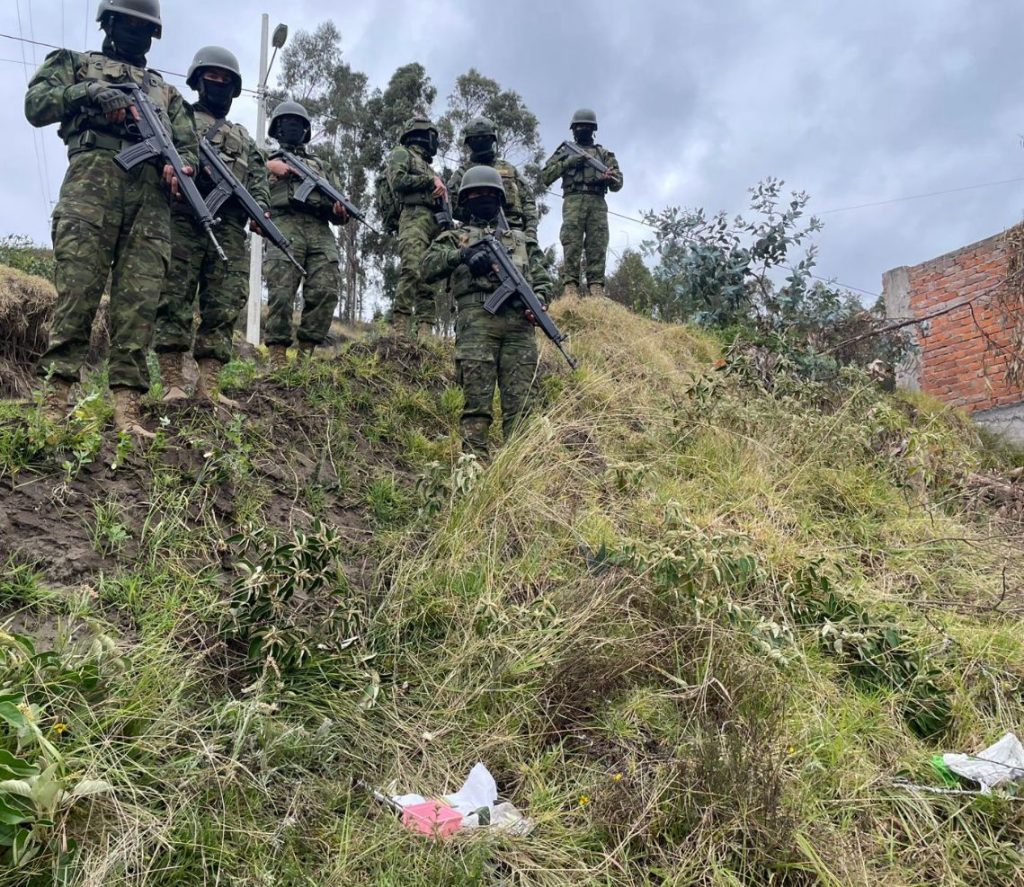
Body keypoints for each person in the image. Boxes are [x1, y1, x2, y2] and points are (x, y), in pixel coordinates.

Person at [24, 0, 197, 437]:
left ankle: (127, 410)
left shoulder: (168, 94)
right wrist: (89, 93)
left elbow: (187, 144)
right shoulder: (75, 64)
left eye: (145, 28)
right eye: (128, 24)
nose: (136, 34)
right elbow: (36, 104)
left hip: (151, 201)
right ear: (109, 24)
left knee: (138, 307)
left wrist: (181, 167)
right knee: (77, 294)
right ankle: (54, 402)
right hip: (92, 183)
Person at [152, 45, 269, 406]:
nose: (218, 85)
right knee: (174, 297)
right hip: (183, 218)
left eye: (225, 81)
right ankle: (172, 381)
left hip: (229, 227)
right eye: (212, 78)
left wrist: (260, 209)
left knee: (224, 303)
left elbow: (259, 178)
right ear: (197, 82)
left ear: (234, 90)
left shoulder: (244, 138)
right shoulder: (178, 118)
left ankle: (210, 386)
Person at [423, 166, 553, 456]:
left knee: (522, 409)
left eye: (489, 194)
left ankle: (518, 473)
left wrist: (540, 302)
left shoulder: (522, 240)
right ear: (466, 201)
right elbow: (426, 267)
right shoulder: (454, 237)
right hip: (476, 322)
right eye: (475, 194)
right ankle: (474, 470)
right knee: (477, 408)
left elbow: (543, 279)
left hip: (520, 327)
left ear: (500, 199)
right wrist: (463, 255)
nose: (482, 199)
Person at [263, 101, 348, 367]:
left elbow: (338, 207)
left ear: (306, 130)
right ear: (276, 129)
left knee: (326, 288)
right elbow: (247, 182)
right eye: (286, 122)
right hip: (283, 223)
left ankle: (305, 359)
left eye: (298, 123)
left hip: (319, 228)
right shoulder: (264, 158)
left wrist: (340, 211)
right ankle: (277, 359)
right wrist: (270, 167)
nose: (292, 127)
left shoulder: (320, 166)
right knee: (281, 292)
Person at [541, 108, 623, 300]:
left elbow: (618, 183)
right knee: (571, 242)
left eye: (587, 126)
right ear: (573, 129)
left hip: (597, 200)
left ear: (593, 129)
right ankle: (570, 287)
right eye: (579, 127)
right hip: (573, 199)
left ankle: (596, 288)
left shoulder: (604, 154)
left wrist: (607, 179)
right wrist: (570, 163)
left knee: (598, 243)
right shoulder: (565, 151)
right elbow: (545, 176)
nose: (583, 129)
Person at [386, 117, 445, 339]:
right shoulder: (402, 153)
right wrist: (430, 182)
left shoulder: (428, 167)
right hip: (412, 216)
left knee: (429, 277)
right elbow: (398, 181)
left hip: (433, 222)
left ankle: (425, 332)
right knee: (412, 268)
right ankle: (400, 329)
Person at [447, 117, 539, 241]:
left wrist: (530, 233)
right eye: (475, 139)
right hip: (475, 233)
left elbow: (528, 202)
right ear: (469, 142)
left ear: (492, 139)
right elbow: (449, 204)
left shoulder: (509, 170)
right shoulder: (462, 173)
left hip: (513, 232)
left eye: (484, 138)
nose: (480, 141)